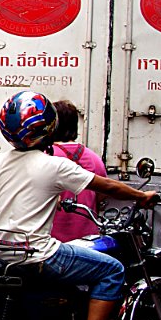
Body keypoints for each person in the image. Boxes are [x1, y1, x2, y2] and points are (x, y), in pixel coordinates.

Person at [0, 91, 157, 320]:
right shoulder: (54, 166)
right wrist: (140, 196)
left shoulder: (0, 160)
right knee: (113, 270)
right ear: (47, 127)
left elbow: (28, 190)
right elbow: (107, 186)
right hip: (39, 254)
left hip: (3, 250)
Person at [49, 100, 107, 242]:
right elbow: (102, 195)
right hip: (87, 240)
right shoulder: (93, 158)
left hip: (52, 242)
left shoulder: (46, 155)